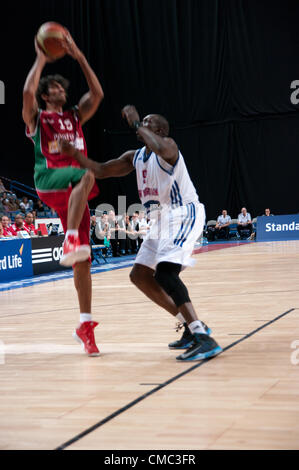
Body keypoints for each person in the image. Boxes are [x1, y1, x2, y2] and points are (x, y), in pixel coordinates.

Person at [60, 105, 222, 362]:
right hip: (159, 221)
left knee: (167, 273)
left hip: (182, 213)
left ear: (158, 130)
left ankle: (204, 337)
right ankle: (191, 328)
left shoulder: (168, 148)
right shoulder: (135, 157)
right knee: (139, 275)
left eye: (148, 122)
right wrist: (75, 158)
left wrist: (137, 123)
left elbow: (158, 146)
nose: (140, 124)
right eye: (141, 121)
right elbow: (101, 169)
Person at [22, 32, 104, 356]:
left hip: (73, 192)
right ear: (45, 96)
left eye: (61, 87)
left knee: (82, 257)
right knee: (87, 172)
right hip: (49, 178)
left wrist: (79, 56)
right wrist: (42, 57)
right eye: (53, 87)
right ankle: (69, 236)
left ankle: (85, 325)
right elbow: (27, 91)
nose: (59, 89)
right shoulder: (38, 118)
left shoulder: (74, 115)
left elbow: (96, 93)